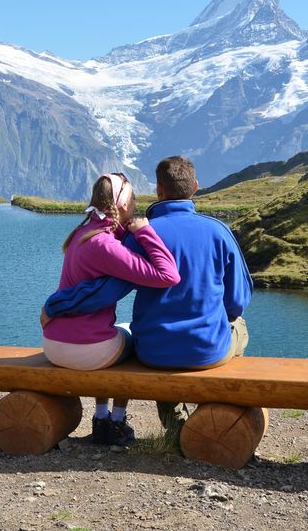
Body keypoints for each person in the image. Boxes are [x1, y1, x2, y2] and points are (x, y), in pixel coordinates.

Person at [42, 156, 253, 435]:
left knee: (155, 342)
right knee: (240, 326)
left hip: (153, 351)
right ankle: (215, 411)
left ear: (158, 190)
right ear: (196, 187)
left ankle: (175, 421)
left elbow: (106, 292)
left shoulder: (137, 236)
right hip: (207, 349)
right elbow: (237, 301)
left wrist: (56, 306)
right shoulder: (219, 231)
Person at [43, 172, 180, 446]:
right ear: (121, 204)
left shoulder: (82, 233)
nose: (135, 206)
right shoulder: (104, 244)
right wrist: (144, 232)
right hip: (83, 351)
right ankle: (115, 422)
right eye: (132, 200)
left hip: (53, 343)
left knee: (114, 335)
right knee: (135, 338)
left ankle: (100, 417)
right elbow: (168, 275)